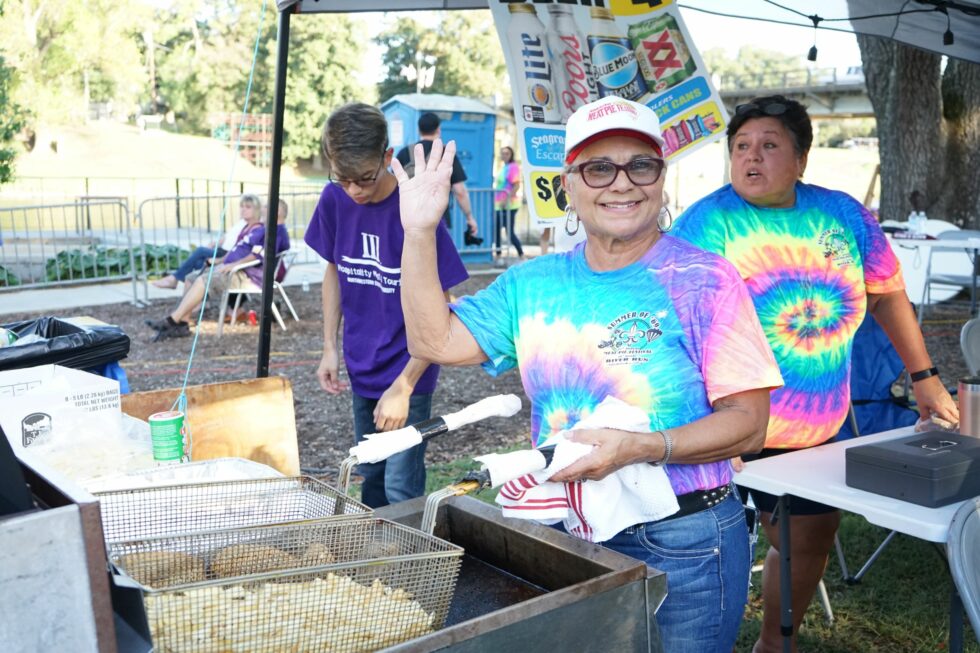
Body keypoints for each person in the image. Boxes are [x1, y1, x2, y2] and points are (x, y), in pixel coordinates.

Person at [392, 96, 784, 652]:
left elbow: (749, 425)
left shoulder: (706, 279)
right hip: (565, 531)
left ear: (661, 179)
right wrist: (418, 232)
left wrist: (639, 446)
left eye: (639, 165)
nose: (621, 183)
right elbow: (431, 340)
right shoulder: (533, 284)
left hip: (685, 541)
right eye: (599, 168)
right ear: (568, 186)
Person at [672, 94, 959, 653]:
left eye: (769, 146)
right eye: (741, 147)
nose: (751, 158)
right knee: (713, 543)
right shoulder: (706, 224)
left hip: (814, 427)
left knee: (806, 537)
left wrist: (923, 375)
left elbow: (886, 292)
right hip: (723, 422)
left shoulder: (842, 213)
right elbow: (676, 325)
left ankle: (778, 643)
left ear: (801, 158)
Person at [306, 103, 468, 509]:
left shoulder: (415, 211)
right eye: (343, 180)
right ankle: (376, 562)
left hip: (409, 370)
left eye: (364, 178)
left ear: (387, 157)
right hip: (362, 364)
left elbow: (445, 311)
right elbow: (335, 272)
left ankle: (404, 562)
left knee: (401, 488)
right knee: (371, 475)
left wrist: (406, 384)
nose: (355, 191)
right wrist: (329, 346)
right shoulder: (334, 199)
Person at [146, 196, 290, 340]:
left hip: (248, 276)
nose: (263, 209)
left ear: (277, 211)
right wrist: (220, 261)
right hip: (235, 269)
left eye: (266, 206)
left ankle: (171, 320)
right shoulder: (267, 229)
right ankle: (182, 324)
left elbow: (259, 255)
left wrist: (232, 265)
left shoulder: (276, 231)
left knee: (203, 280)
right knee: (192, 277)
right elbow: (248, 251)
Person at [396, 112, 479, 239]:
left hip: (407, 218)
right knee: (439, 258)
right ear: (438, 130)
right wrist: (469, 217)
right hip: (439, 219)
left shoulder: (404, 153)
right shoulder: (446, 153)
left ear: (419, 130)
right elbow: (460, 191)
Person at [151, 193, 260, 289]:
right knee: (199, 263)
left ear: (256, 209)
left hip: (227, 253)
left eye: (248, 207)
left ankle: (175, 279)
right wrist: (215, 243)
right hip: (222, 249)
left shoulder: (255, 228)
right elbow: (227, 237)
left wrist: (219, 260)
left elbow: (241, 247)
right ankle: (198, 297)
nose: (243, 209)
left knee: (201, 251)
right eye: (241, 206)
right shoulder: (241, 223)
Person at [492, 146, 524, 263]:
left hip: (509, 205)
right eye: (503, 153)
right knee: (497, 230)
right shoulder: (503, 167)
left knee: (509, 232)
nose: (504, 155)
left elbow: (516, 185)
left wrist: (506, 200)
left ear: (511, 155)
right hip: (499, 205)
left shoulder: (513, 167)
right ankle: (499, 255)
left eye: (507, 153)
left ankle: (521, 255)